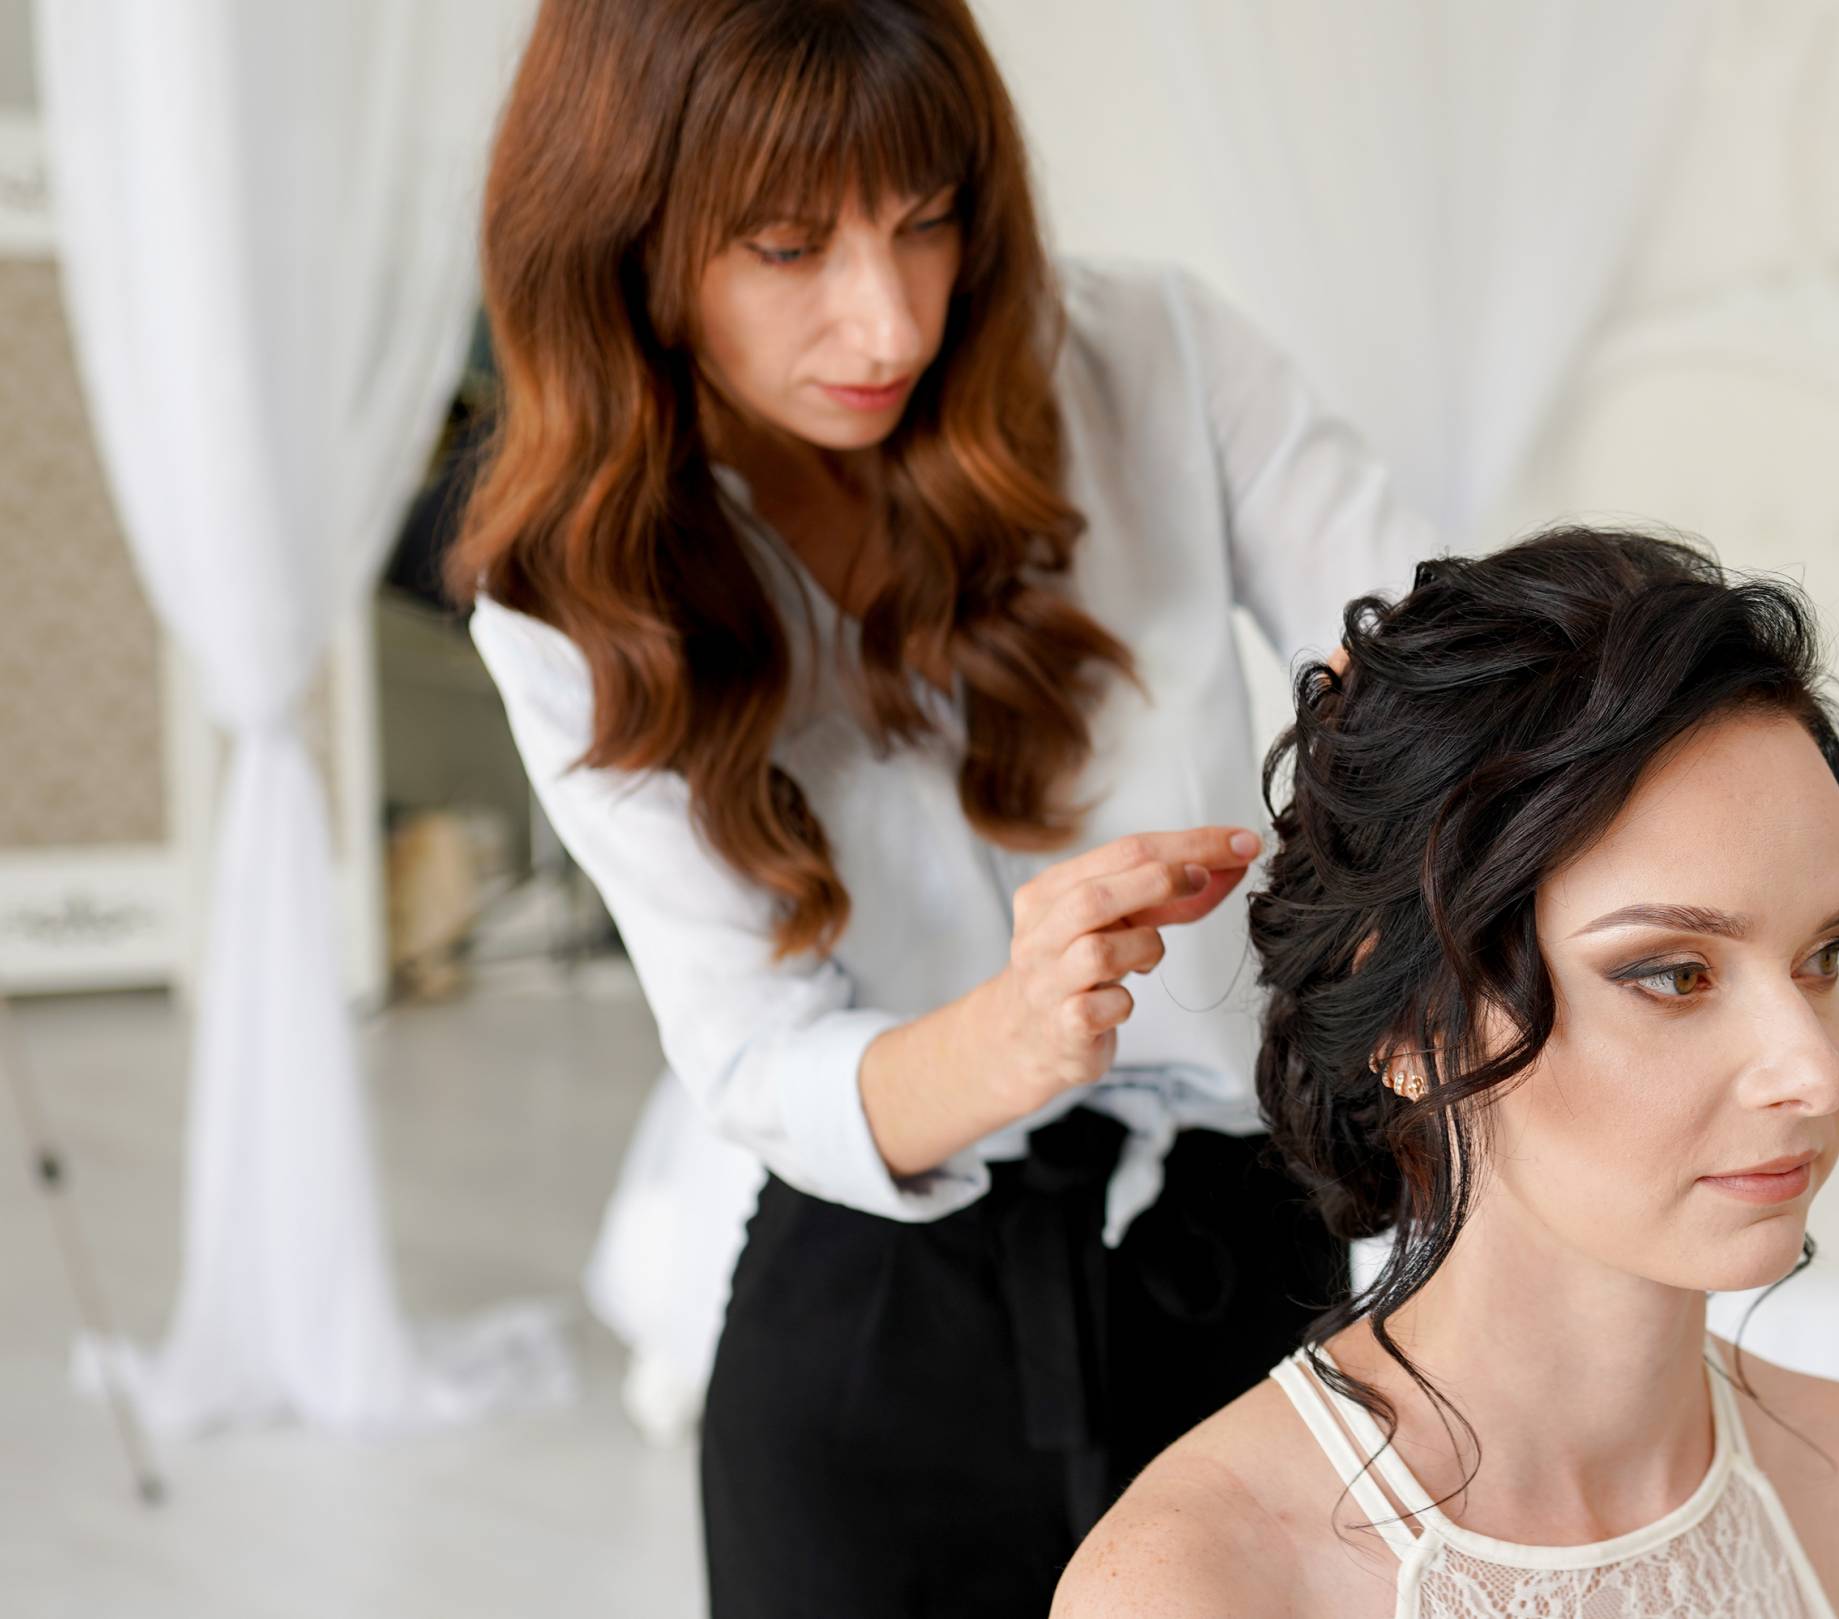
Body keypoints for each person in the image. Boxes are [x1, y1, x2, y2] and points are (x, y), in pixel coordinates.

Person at [450, 1, 1433, 1611]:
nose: (890, 319)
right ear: (626, 241)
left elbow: (1439, 658)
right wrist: (1019, 1027)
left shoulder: (1155, 355)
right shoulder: (570, 600)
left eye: (928, 222)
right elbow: (759, 1051)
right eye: (786, 248)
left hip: (1246, 1271)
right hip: (873, 1333)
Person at [1057, 529, 1839, 1618]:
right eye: (1673, 974)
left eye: (1821, 956)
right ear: (1409, 1021)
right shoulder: (1198, 1583)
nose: (1814, 1073)